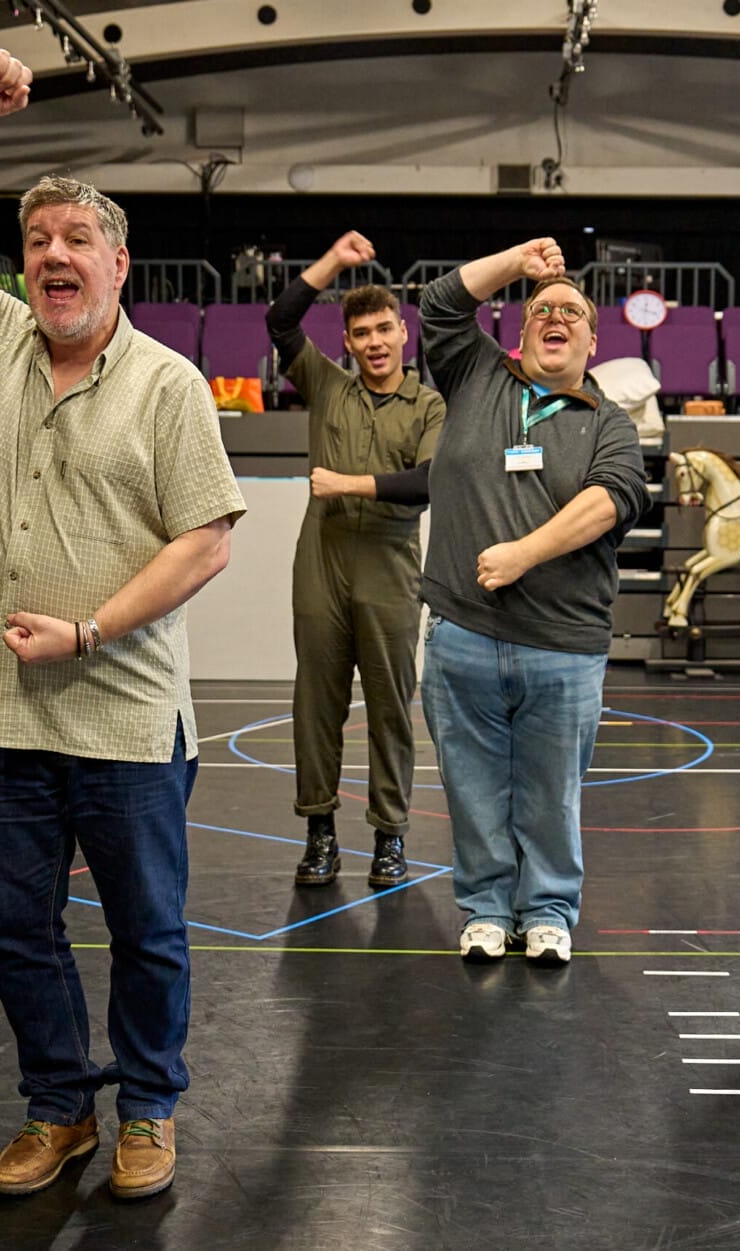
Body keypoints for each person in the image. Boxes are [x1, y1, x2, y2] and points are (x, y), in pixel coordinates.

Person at [0, 48, 246, 1200]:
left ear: (119, 265)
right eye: (37, 244)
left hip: (122, 713)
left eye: (78, 241)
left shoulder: (170, 385)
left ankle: (146, 1109)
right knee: (14, 930)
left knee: (148, 934)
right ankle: (56, 1108)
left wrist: (89, 634)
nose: (53, 258)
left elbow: (206, 540)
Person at [417, 240, 650, 966]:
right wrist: (520, 261)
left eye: (571, 313)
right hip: (462, 633)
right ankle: (487, 909)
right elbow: (441, 302)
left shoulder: (610, 423)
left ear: (592, 338)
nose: (556, 317)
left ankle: (548, 910)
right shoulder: (477, 375)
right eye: (542, 309)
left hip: (563, 644)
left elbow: (610, 501)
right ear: (518, 333)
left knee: (551, 796)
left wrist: (524, 553)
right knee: (473, 789)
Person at [265, 232, 446, 889]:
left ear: (405, 332)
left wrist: (348, 484)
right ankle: (319, 834)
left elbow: (429, 480)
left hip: (391, 564)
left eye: (383, 329)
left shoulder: (430, 403)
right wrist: (334, 264)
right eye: (361, 332)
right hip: (322, 561)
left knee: (392, 709)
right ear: (346, 341)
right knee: (316, 705)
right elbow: (280, 318)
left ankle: (390, 838)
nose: (373, 342)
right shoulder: (326, 382)